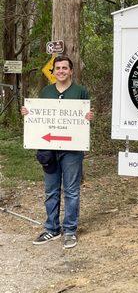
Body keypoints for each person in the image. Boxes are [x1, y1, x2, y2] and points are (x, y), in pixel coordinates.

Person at [21, 55, 94, 249]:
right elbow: (39, 116)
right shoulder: (46, 91)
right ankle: (52, 228)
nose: (61, 71)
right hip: (49, 150)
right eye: (58, 68)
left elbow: (84, 118)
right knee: (51, 190)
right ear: (53, 72)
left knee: (71, 191)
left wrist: (89, 116)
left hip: (72, 150)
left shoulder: (80, 91)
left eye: (65, 68)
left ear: (71, 71)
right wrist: (28, 113)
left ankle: (70, 230)